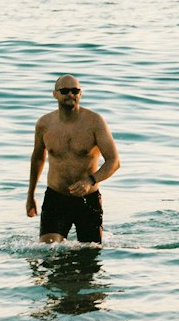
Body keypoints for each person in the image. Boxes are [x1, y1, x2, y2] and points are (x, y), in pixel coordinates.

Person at [26, 75, 120, 244]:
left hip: (88, 200)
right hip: (56, 197)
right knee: (48, 252)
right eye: (65, 91)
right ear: (55, 94)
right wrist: (30, 195)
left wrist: (90, 180)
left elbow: (114, 161)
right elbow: (38, 158)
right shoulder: (44, 124)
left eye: (75, 91)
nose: (71, 94)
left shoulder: (95, 122)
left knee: (89, 258)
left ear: (80, 94)